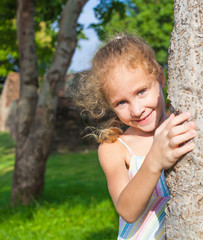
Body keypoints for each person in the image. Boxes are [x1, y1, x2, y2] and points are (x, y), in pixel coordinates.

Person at [75, 33, 196, 239]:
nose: (137, 110)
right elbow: (127, 210)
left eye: (141, 91)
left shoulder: (181, 126)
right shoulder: (114, 148)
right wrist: (154, 161)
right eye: (121, 102)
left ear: (160, 77)